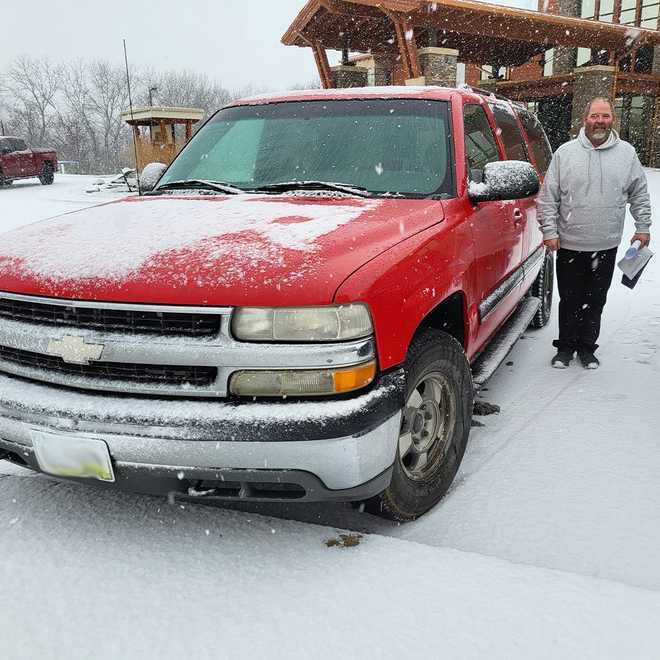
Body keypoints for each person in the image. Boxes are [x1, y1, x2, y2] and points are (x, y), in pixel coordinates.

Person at [537, 97, 652, 370]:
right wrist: (549, 231)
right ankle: (565, 348)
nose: (599, 121)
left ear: (613, 119)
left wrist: (643, 227)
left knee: (596, 300)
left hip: (606, 243)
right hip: (569, 243)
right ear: (584, 119)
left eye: (605, 116)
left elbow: (639, 194)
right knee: (570, 300)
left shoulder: (627, 154)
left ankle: (587, 348)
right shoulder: (565, 153)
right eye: (594, 116)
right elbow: (548, 197)